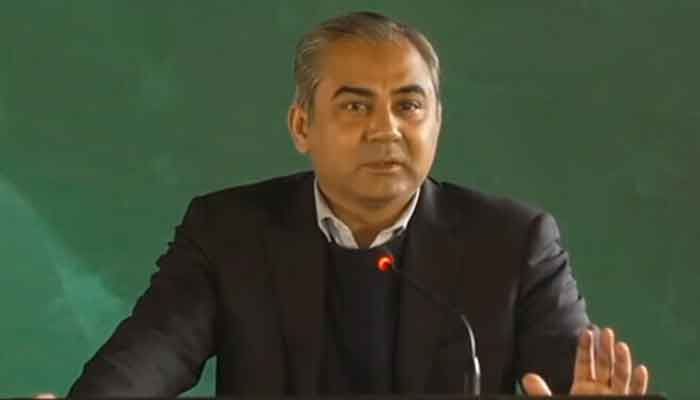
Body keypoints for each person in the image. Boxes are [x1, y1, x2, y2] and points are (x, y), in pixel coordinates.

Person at [64, 11, 649, 397]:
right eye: (355, 106)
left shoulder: (512, 242)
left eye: (409, 106)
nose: (386, 129)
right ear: (302, 125)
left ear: (437, 122)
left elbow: (574, 377)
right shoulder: (228, 232)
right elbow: (147, 361)